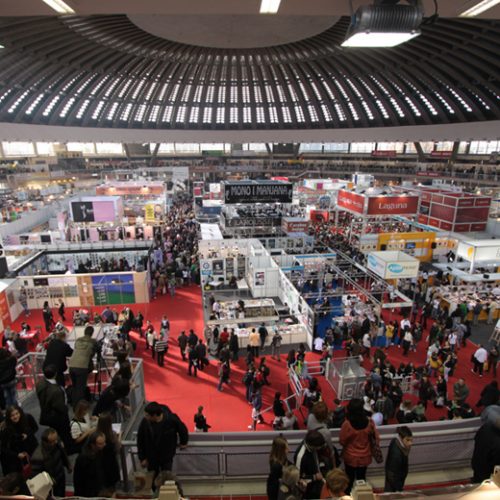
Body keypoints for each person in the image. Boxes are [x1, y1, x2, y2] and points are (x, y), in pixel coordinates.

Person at [137, 402, 188, 477]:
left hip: (167, 456)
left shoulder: (171, 419)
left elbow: (182, 429)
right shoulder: (145, 422)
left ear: (154, 415)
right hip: (151, 456)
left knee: (166, 476)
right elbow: (140, 439)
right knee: (153, 476)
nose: (145, 417)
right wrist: (142, 458)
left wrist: (183, 442)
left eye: (147, 415)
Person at [339, 398, 380, 493]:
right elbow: (376, 438)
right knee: (361, 479)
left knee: (348, 480)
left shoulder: (347, 424)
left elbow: (342, 441)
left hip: (350, 457)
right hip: (365, 456)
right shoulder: (370, 422)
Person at [36, 364, 72, 450]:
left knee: (53, 431)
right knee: (63, 433)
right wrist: (66, 409)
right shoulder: (56, 391)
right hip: (58, 417)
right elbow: (60, 407)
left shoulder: (40, 383)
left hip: (47, 413)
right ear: (55, 374)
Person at [31, 428, 71, 498]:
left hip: (60, 475)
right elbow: (37, 477)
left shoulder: (56, 441)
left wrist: (68, 465)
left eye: (56, 439)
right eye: (53, 441)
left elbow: (62, 452)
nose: (56, 442)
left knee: (61, 495)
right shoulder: (38, 457)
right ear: (46, 442)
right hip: (50, 484)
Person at [294, 429, 334, 499]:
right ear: (313, 446)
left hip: (317, 482)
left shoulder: (312, 446)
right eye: (319, 446)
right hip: (308, 490)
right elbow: (298, 478)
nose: (321, 448)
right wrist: (314, 477)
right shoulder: (300, 456)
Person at [0, 405, 38, 475]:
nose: (15, 417)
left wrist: (27, 435)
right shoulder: (6, 430)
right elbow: (3, 448)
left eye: (17, 413)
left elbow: (35, 428)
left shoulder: (27, 418)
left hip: (32, 448)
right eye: (12, 415)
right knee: (27, 474)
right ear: (8, 417)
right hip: (19, 457)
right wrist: (17, 455)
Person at [68, 325, 97, 407]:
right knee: (81, 388)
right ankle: (78, 407)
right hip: (82, 367)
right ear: (92, 333)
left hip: (72, 365)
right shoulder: (93, 342)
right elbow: (91, 354)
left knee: (75, 386)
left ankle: (73, 403)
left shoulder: (78, 340)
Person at [73, 431, 107, 497]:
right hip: (87, 493)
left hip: (97, 491)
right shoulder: (83, 458)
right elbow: (78, 480)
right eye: (100, 444)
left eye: (104, 442)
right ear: (92, 445)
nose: (104, 445)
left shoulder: (100, 452)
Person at [97, 413, 121, 493]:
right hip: (111, 463)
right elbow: (118, 448)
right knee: (111, 485)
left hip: (100, 463)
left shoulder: (96, 435)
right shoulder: (112, 435)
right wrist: (119, 436)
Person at [384, 426, 413, 492]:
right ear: (400, 438)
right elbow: (391, 474)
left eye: (411, 440)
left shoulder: (397, 442)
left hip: (397, 478)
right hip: (394, 482)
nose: (410, 443)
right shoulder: (396, 454)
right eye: (407, 440)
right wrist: (398, 488)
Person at [471, 418, 500, 483]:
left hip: (477, 462)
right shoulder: (497, 443)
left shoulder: (485, 427)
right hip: (487, 472)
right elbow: (496, 466)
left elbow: (476, 439)